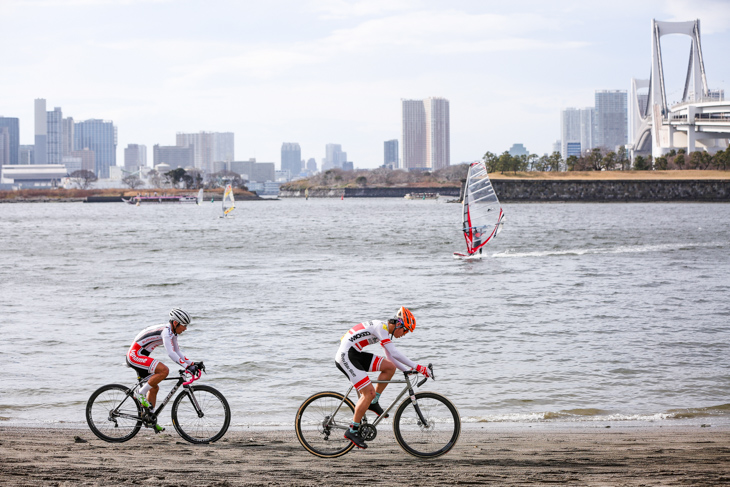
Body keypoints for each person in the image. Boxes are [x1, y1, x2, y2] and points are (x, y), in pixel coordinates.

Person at [334, 307, 432, 449]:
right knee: (368, 392)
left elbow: (390, 357)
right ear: (399, 324)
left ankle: (373, 402)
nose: (404, 334)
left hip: (354, 353)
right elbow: (394, 352)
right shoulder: (381, 328)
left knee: (389, 367)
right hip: (346, 357)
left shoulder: (384, 330)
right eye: (405, 330)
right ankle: (352, 430)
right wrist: (419, 367)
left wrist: (406, 370)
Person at [126, 308, 198, 433]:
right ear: (175, 323)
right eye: (184, 325)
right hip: (135, 355)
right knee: (164, 370)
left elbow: (177, 352)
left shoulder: (172, 333)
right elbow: (171, 354)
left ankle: (150, 419)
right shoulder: (166, 332)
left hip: (141, 355)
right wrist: (187, 367)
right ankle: (139, 393)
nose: (185, 328)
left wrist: (192, 363)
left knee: (154, 387)